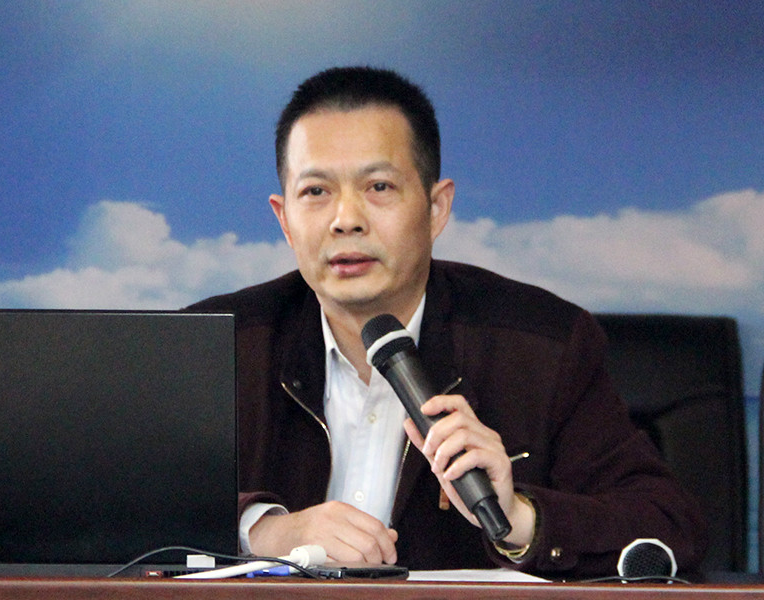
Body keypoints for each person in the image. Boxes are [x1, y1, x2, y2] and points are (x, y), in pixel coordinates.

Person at [188, 66, 706, 577]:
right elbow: (138, 509)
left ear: (437, 208)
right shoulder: (215, 346)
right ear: (284, 219)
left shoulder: (544, 347)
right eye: (316, 192)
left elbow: (668, 526)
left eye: (379, 187)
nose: (346, 220)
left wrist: (520, 518)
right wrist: (263, 532)